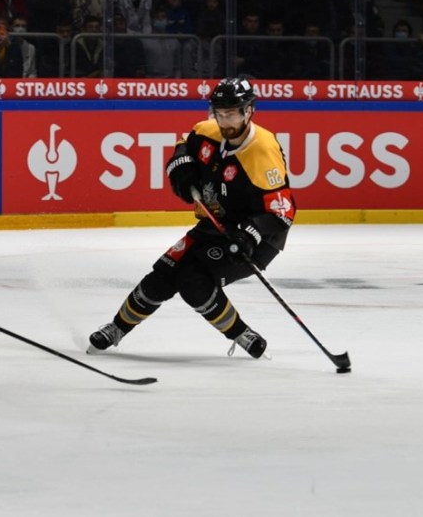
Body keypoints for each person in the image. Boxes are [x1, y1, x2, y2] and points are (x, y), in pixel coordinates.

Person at [88, 76, 295, 358]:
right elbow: (184, 144)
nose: (225, 122)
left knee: (194, 281)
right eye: (220, 114)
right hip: (215, 223)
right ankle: (116, 328)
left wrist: (249, 234)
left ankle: (243, 335)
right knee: (163, 274)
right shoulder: (208, 130)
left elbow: (283, 212)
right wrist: (181, 167)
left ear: (249, 111)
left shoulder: (262, 151)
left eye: (232, 114)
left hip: (258, 237)